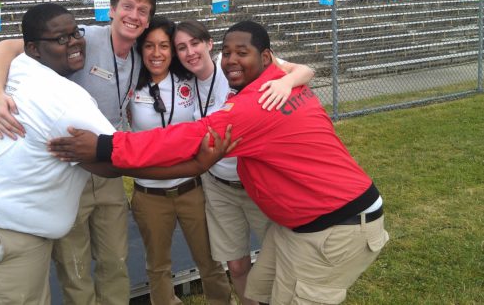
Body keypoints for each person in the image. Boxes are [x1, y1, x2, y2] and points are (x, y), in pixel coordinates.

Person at [49, 21, 390, 305]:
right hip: (301, 225)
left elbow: (183, 140)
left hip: (336, 226)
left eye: (242, 53)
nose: (231, 61)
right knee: (258, 290)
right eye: (226, 53)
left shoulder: (257, 104)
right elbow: (297, 70)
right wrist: (290, 77)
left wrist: (105, 146)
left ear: (267, 57)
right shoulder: (276, 80)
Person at [0, 0, 156, 305]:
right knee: (74, 265)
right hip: (67, 169)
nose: (134, 16)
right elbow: (5, 48)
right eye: (128, 7)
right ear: (112, 10)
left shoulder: (140, 51)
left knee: (115, 260)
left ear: (148, 20)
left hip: (107, 168)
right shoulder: (86, 37)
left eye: (142, 11)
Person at [0, 3, 117, 305]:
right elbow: (122, 157)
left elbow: (6, 46)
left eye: (76, 33)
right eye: (61, 39)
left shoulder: (20, 66)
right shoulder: (65, 98)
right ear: (33, 48)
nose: (73, 41)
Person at [172, 20, 314, 305]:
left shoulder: (233, 65)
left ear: (210, 44)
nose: (190, 52)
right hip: (218, 186)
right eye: (181, 48)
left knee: (282, 260)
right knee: (236, 265)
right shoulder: (182, 85)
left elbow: (305, 70)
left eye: (195, 43)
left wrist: (286, 82)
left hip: (256, 183)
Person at [129, 16, 233, 305]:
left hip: (192, 188)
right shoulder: (130, 87)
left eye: (164, 45)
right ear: (140, 49)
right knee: (158, 267)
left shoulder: (189, 79)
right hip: (149, 193)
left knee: (210, 260)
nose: (157, 53)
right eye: (149, 45)